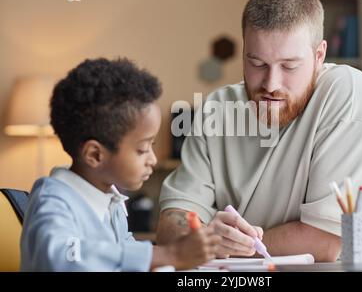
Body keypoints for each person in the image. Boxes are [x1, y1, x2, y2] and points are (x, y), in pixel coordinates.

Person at [156, 0, 362, 262]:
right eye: (257, 64)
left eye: (289, 66)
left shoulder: (348, 93)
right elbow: (171, 227)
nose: (271, 83)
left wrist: (219, 246)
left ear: (319, 56)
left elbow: (326, 243)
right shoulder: (216, 109)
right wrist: (203, 239)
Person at [20, 58, 220, 271]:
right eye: (142, 149)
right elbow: (62, 256)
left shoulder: (111, 200)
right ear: (95, 155)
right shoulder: (53, 200)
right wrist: (169, 254)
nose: (152, 159)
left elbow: (126, 257)